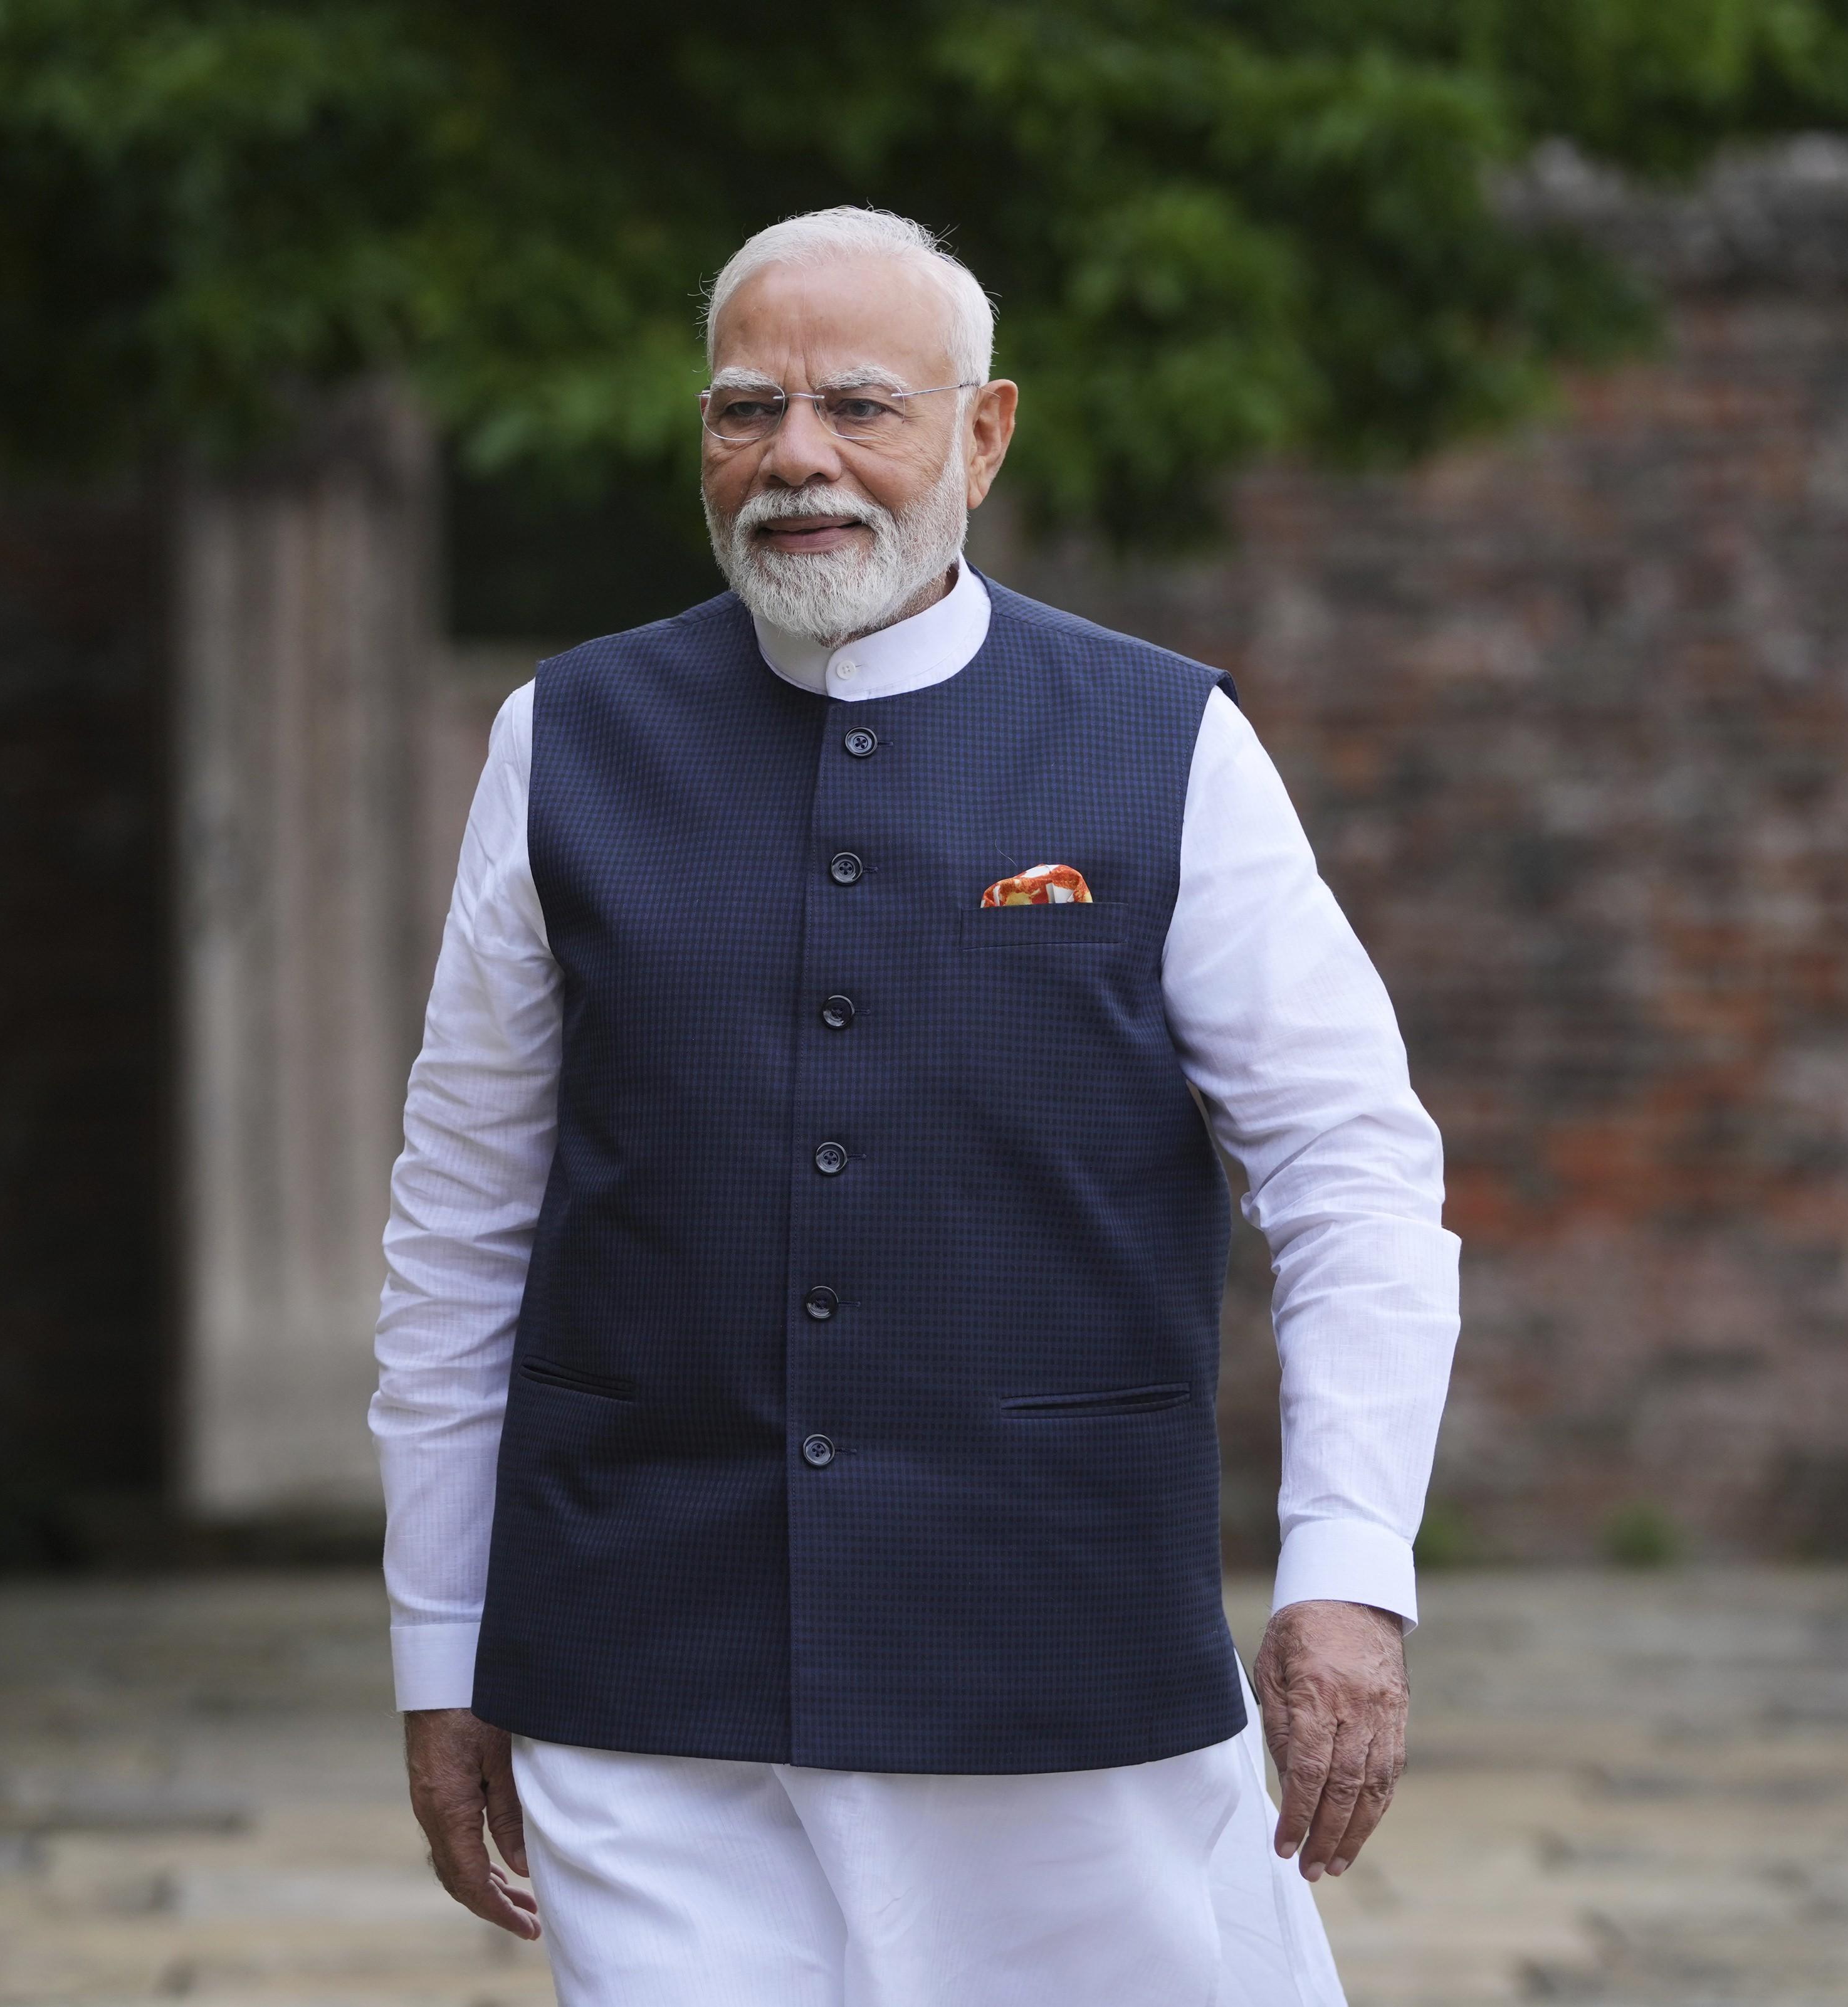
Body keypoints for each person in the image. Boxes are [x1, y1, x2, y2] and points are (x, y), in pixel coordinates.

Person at [371, 206, 1459, 2006]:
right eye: (747, 410)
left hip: (1062, 1648)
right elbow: (459, 1226)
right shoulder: (567, 740)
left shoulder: (1161, 742)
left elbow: (1349, 1175)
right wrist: (439, 1640)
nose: (794, 455)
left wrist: (1346, 1569)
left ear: (985, 432)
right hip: (645, 1665)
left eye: (859, 405)